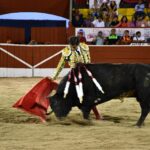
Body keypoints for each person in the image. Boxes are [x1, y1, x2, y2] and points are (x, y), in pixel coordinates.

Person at [52, 36, 102, 120]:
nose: (73, 48)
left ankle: (96, 114)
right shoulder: (66, 51)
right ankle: (61, 113)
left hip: (86, 74)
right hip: (73, 74)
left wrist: (85, 64)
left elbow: (88, 60)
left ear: (78, 44)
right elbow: (61, 65)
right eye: (72, 46)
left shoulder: (84, 47)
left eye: (75, 46)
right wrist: (54, 76)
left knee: (89, 95)